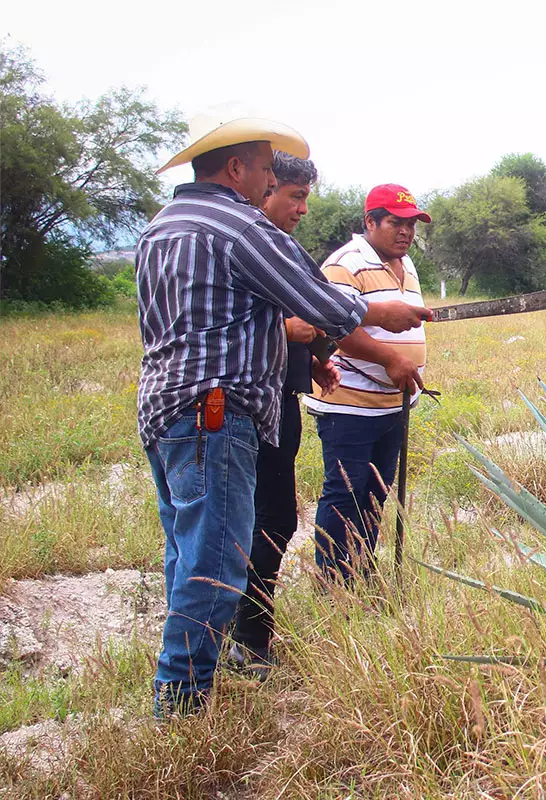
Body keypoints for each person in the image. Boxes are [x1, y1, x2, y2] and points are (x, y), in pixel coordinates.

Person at [137, 113, 430, 717]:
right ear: (237, 168)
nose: (269, 187)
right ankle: (181, 707)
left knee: (187, 553)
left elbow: (221, 320)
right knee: (218, 560)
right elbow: (316, 299)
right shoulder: (236, 226)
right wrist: (376, 312)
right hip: (213, 414)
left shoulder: (164, 225)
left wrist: (307, 352)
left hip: (165, 409)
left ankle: (188, 685)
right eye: (267, 173)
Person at [227, 152, 333, 676]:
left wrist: (311, 359)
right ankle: (246, 640)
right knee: (260, 519)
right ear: (264, 188)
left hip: (279, 401)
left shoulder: (280, 248)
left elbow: (311, 315)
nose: (302, 209)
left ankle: (242, 633)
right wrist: (289, 328)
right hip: (241, 407)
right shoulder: (243, 242)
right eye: (294, 195)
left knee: (264, 518)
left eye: (305, 197)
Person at [301, 185, 430, 582]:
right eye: (395, 222)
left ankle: (361, 572)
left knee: (375, 493)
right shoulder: (346, 263)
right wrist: (390, 358)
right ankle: (333, 583)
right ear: (370, 222)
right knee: (345, 491)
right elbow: (334, 324)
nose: (405, 232)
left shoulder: (406, 265)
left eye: (410, 224)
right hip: (349, 404)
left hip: (393, 403)